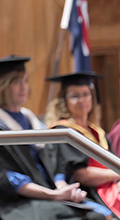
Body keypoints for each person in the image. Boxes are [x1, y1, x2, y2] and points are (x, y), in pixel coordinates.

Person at [0, 55, 109, 220]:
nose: (23, 87)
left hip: (50, 193)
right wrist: (52, 194)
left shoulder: (32, 122)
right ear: (2, 86)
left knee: (100, 215)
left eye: (25, 81)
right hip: (20, 201)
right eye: (16, 82)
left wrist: (62, 187)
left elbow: (55, 165)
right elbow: (6, 179)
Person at [46, 72, 120, 218]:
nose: (82, 100)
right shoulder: (64, 133)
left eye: (86, 94)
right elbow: (80, 174)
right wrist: (116, 174)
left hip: (109, 186)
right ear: (64, 101)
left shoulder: (98, 132)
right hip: (88, 192)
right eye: (75, 96)